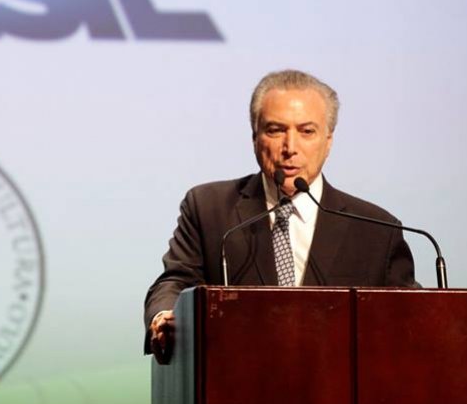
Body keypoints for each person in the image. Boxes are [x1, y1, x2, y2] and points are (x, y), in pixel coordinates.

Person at [144, 70, 416, 362]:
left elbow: (410, 320)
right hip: (237, 379)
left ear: (328, 141)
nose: (290, 148)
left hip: (337, 384)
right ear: (255, 137)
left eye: (306, 131)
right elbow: (175, 281)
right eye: (275, 130)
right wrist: (164, 317)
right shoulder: (209, 208)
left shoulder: (376, 230)